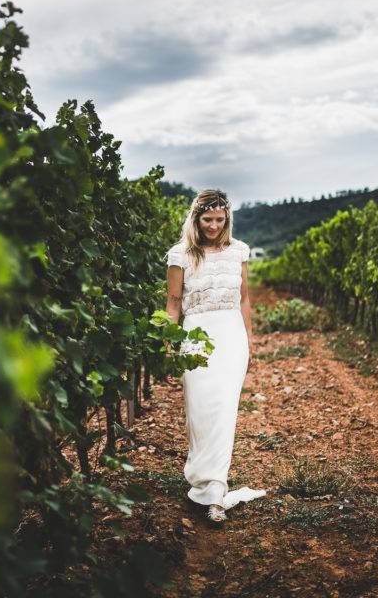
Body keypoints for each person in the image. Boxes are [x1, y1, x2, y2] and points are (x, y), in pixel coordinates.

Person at [165, 189, 268, 523]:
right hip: (196, 335)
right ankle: (200, 477)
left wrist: (249, 339)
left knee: (224, 412)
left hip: (231, 336)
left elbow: (244, 299)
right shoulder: (181, 254)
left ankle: (213, 492)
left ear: (227, 219)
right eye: (207, 219)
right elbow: (173, 304)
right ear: (196, 218)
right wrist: (168, 344)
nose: (213, 225)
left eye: (219, 219)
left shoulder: (238, 251)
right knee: (200, 410)